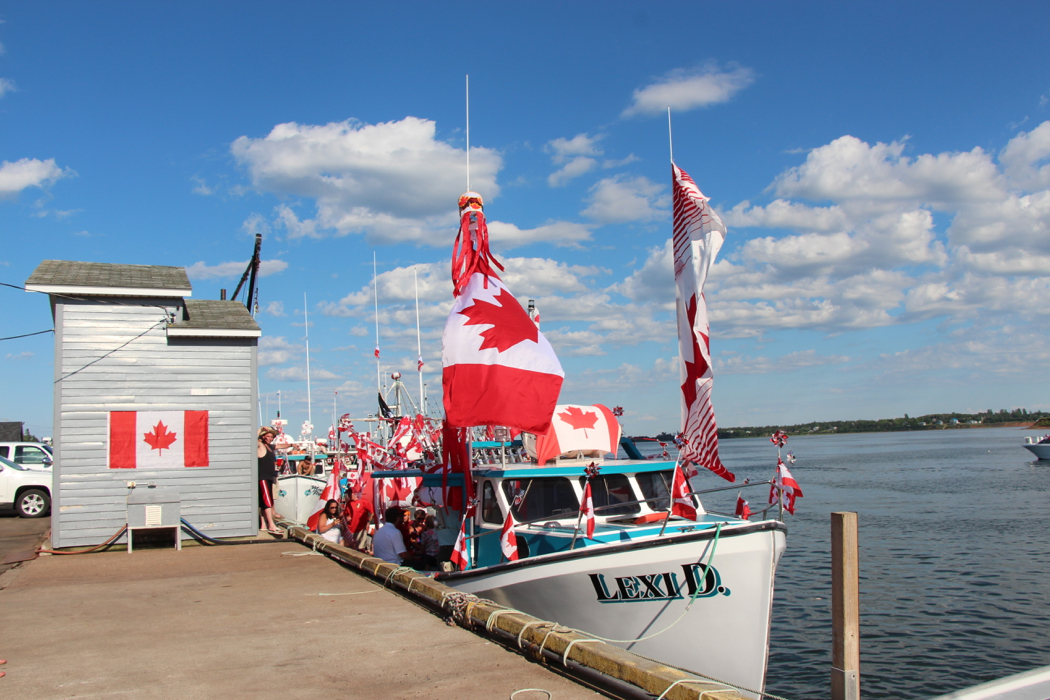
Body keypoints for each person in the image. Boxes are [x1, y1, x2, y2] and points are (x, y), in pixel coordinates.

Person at [257, 427, 281, 536]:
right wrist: (261, 429)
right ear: (263, 436)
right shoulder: (260, 445)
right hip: (263, 477)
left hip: (269, 477)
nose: (270, 438)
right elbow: (251, 440)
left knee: (264, 502)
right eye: (268, 436)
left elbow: (280, 446)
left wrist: (291, 445)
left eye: (271, 436)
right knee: (267, 502)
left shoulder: (270, 447)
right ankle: (271, 525)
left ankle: (263, 525)